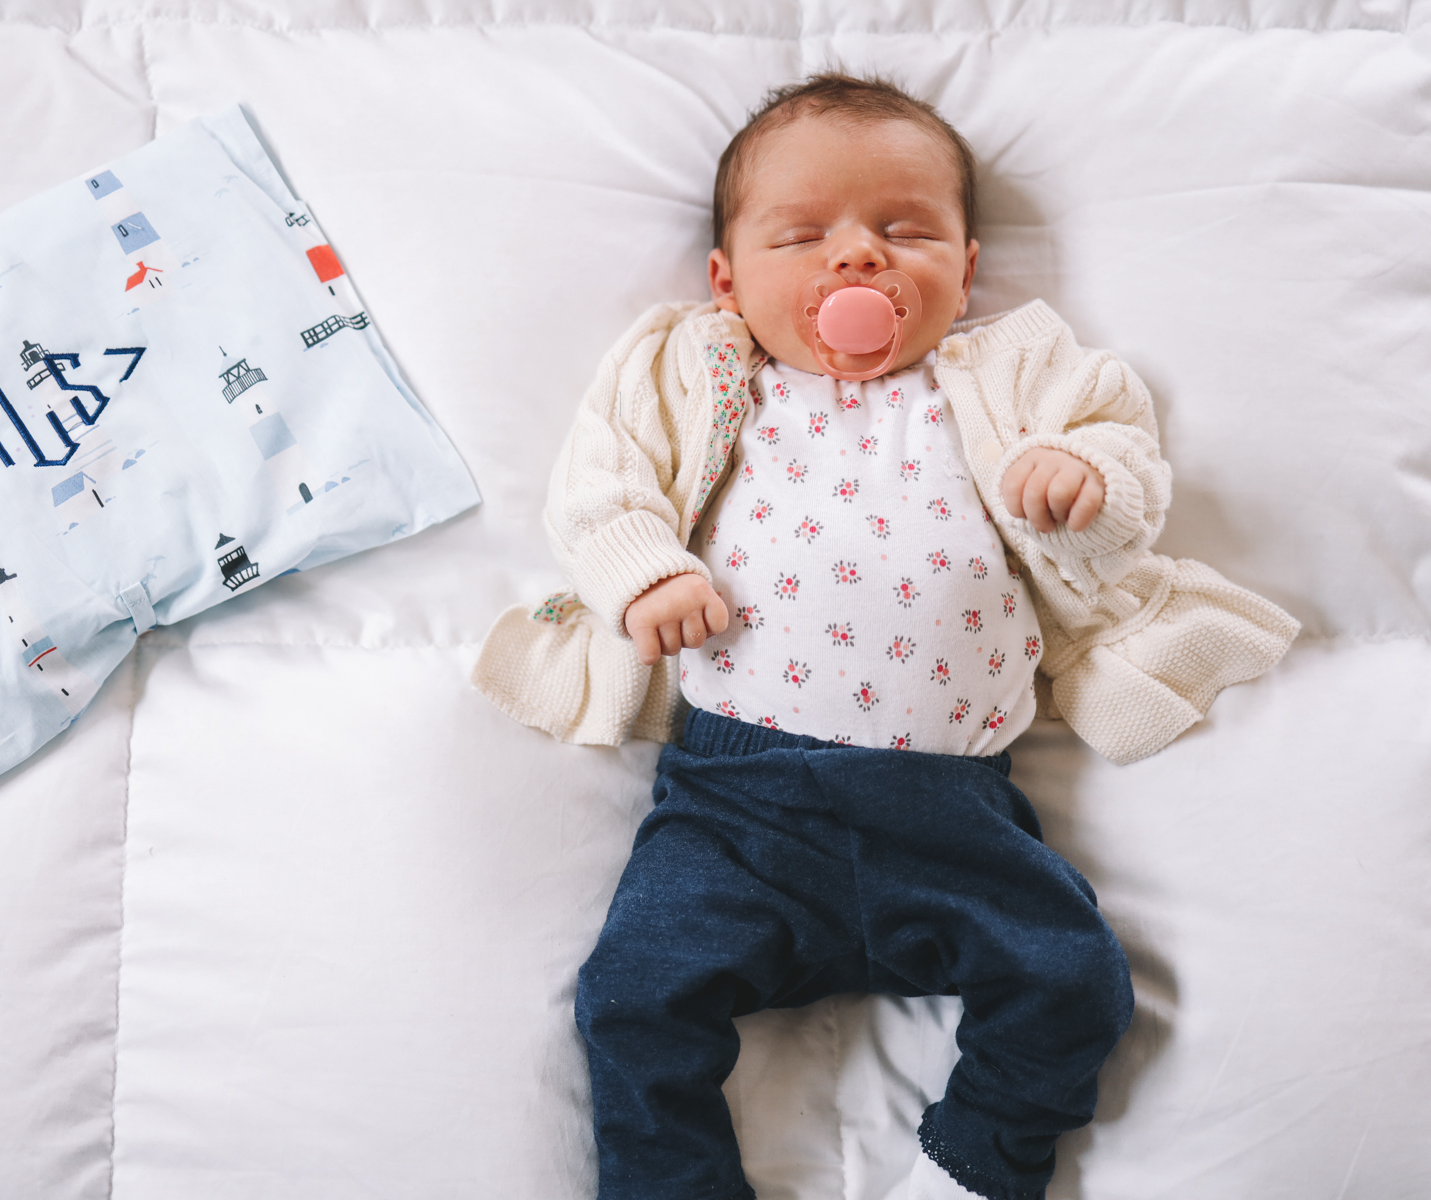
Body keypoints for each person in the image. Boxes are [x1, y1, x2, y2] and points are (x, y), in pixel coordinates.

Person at [470, 73, 1298, 1200]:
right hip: (736, 807)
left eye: (903, 230)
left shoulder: (1007, 374)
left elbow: (1122, 444)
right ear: (728, 279)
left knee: (1074, 983)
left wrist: (1083, 480)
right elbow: (601, 483)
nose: (856, 257)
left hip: (951, 811)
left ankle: (969, 1170)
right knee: (631, 998)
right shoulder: (693, 368)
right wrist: (647, 574)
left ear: (963, 270)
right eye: (803, 234)